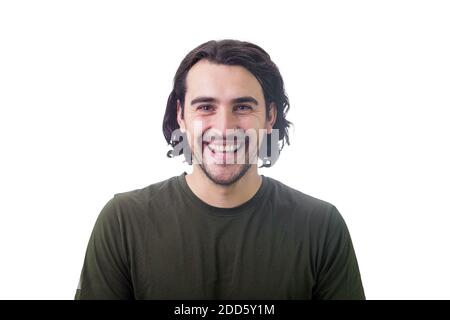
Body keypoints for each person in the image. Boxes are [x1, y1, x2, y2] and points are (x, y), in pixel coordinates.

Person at [75, 39, 365, 300]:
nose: (225, 128)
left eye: (242, 107)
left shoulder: (321, 226)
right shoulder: (123, 222)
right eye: (205, 107)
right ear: (181, 115)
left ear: (270, 117)